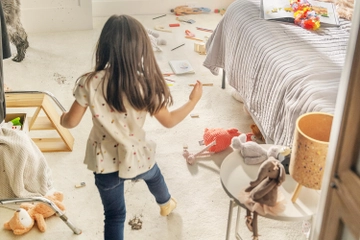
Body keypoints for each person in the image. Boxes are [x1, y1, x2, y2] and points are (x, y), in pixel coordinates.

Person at [60, 14, 202, 240]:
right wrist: (193, 101)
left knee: (115, 215)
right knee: (155, 177)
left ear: (104, 46)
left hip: (104, 163)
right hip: (139, 156)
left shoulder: (89, 82)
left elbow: (70, 122)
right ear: (141, 49)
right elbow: (169, 121)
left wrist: (63, 117)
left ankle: (164, 202)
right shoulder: (146, 83)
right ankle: (165, 203)